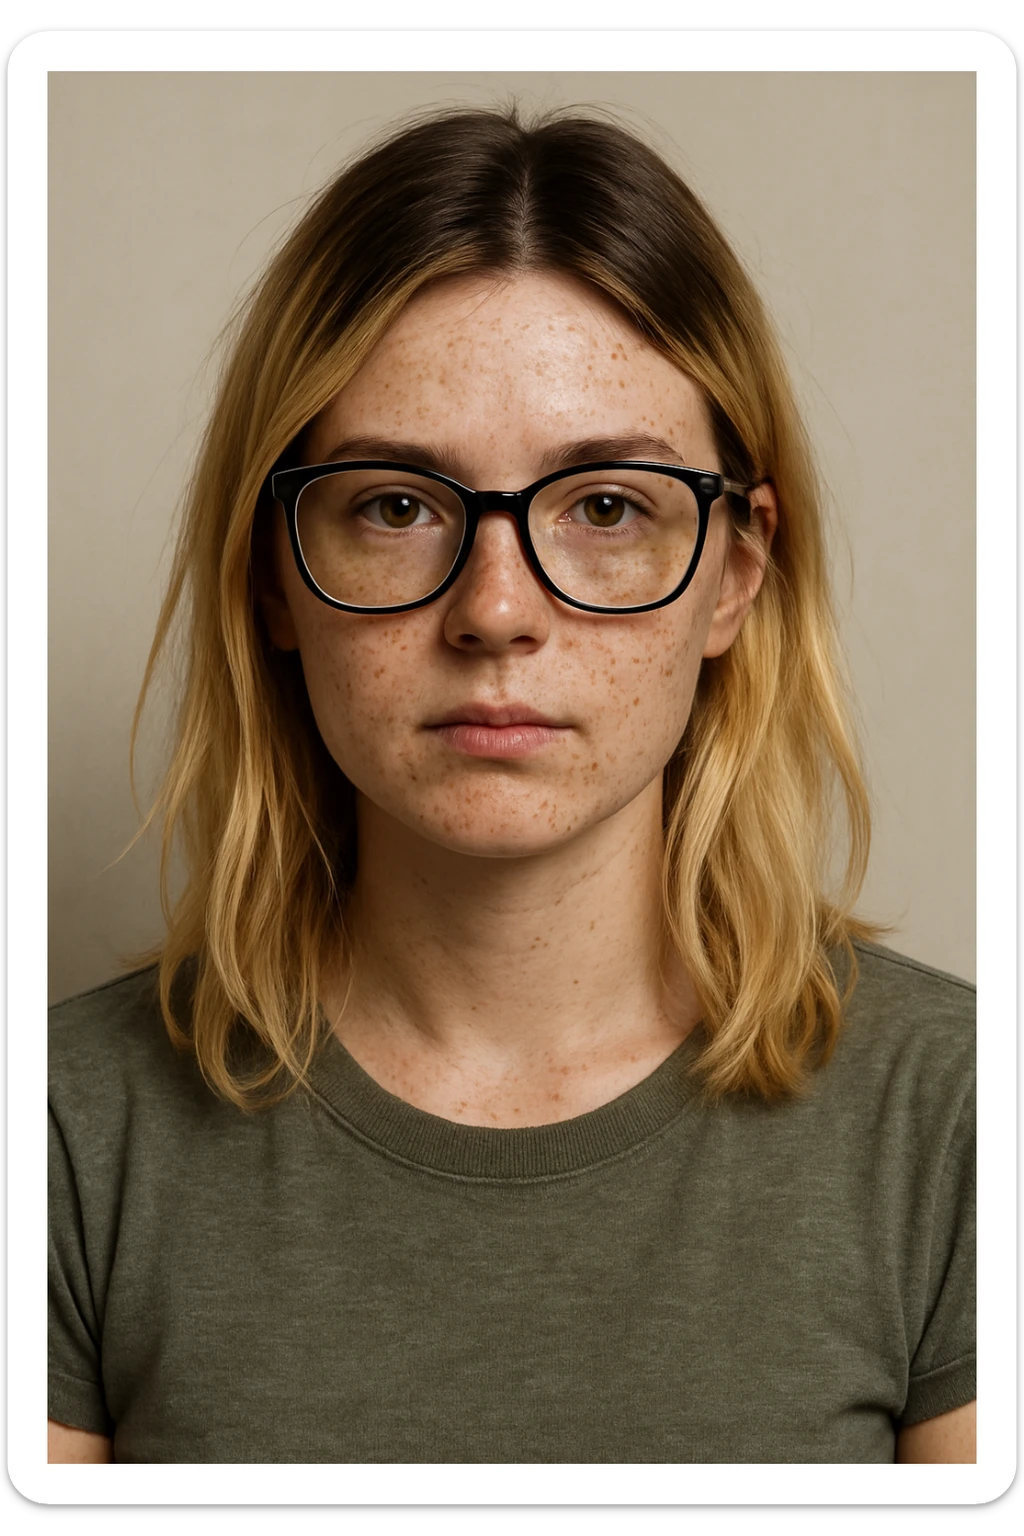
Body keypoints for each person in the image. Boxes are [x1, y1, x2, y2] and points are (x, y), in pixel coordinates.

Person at [47, 104, 976, 1465]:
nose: (495, 612)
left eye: (605, 506)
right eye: (395, 504)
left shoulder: (958, 1122)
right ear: (273, 571)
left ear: (733, 571)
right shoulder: (63, 1141)